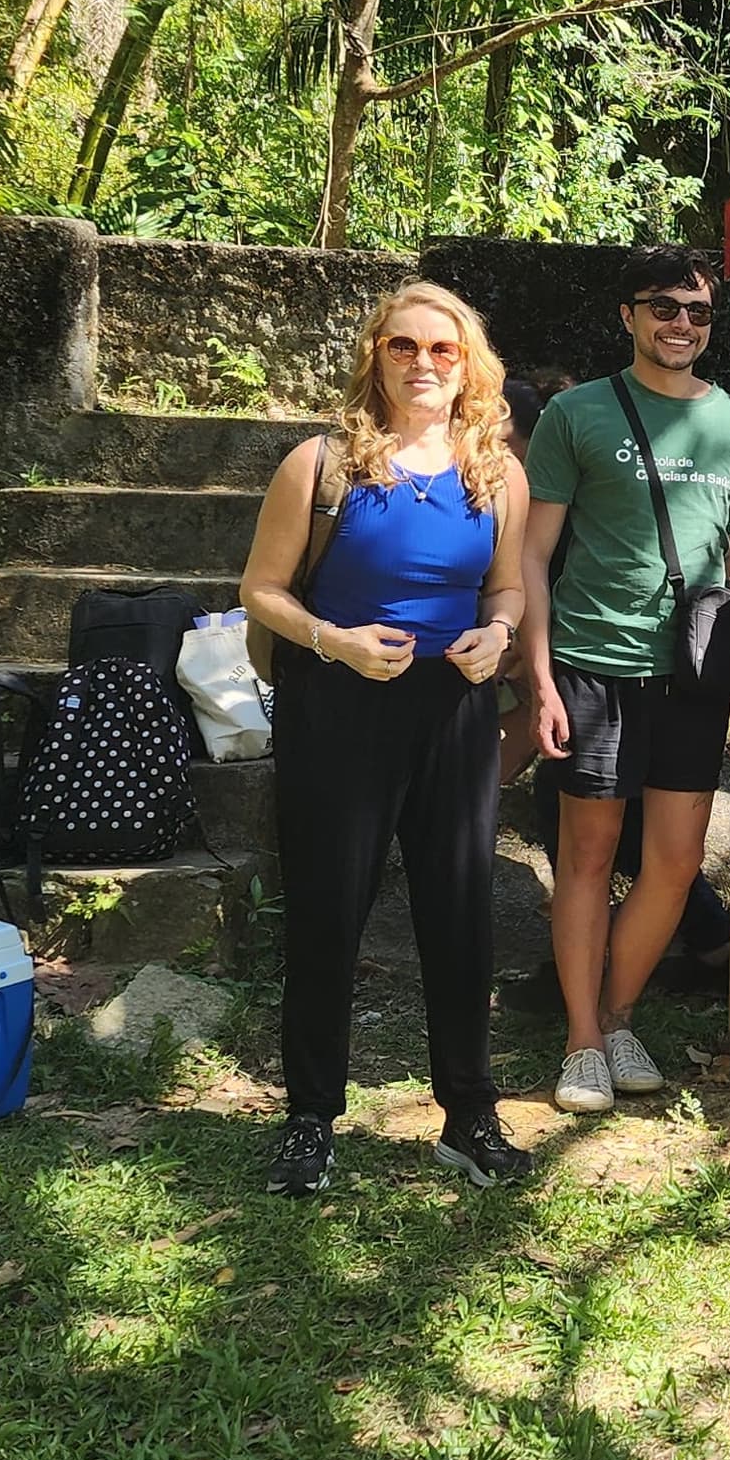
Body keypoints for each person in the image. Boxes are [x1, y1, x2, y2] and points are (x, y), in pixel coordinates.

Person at [242, 283, 534, 1194]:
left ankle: (469, 1113)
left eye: (442, 350)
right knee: (329, 912)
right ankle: (309, 1117)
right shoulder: (321, 463)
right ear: (376, 355)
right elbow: (262, 590)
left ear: (468, 366)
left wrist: (500, 634)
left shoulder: (499, 471)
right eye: (404, 346)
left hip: (453, 707)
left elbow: (507, 589)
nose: (422, 363)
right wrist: (336, 641)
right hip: (339, 703)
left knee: (461, 913)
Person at [519, 251, 730, 1115]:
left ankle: (619, 1016)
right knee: (587, 858)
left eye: (698, 314)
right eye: (664, 308)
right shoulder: (575, 413)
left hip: (692, 675)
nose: (682, 326)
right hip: (593, 661)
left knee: (672, 864)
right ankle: (582, 1039)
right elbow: (534, 555)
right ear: (628, 315)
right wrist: (541, 679)